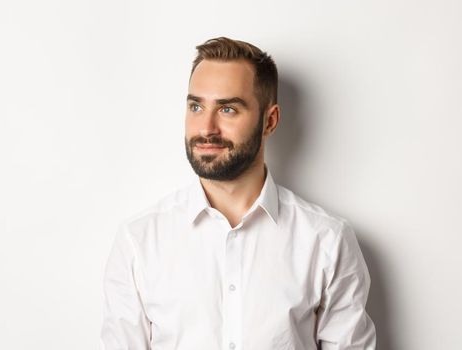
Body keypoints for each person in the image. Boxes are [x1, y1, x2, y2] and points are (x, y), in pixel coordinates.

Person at [99, 37, 376, 350]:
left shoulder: (326, 240)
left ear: (269, 121)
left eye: (228, 109)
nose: (206, 127)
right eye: (196, 106)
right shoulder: (139, 241)